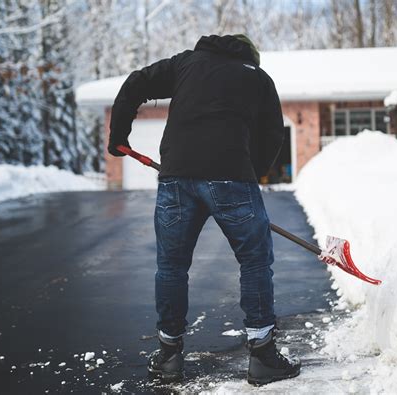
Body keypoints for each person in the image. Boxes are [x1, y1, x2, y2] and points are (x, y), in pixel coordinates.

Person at [108, 34, 301, 386]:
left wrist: (118, 133)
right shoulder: (257, 78)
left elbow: (136, 82)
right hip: (231, 178)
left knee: (171, 266)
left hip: (176, 178)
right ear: (251, 56)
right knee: (255, 261)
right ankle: (262, 356)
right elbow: (273, 133)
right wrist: (247, 172)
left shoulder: (185, 64)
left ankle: (168, 355)